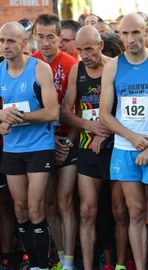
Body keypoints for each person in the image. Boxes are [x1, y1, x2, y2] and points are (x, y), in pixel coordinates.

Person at [100, 13, 148, 270]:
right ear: (119, 35)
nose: (131, 39)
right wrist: (134, 138)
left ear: (146, 32)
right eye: (125, 34)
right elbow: (104, 115)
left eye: (136, 33)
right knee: (135, 212)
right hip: (126, 147)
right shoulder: (113, 66)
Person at [0, 22, 58, 269]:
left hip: (38, 146)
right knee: (20, 210)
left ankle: (41, 265)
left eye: (11, 41)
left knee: (35, 209)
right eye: (2, 41)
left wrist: (18, 117)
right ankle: (33, 262)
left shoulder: (39, 68)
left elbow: (53, 112)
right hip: (12, 149)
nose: (5, 46)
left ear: (24, 43)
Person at [61, 25, 114, 270]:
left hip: (116, 145)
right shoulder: (77, 69)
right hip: (86, 145)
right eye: (80, 50)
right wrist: (88, 126)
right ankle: (89, 265)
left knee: (120, 211)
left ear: (101, 45)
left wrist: (104, 131)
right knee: (86, 211)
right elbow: (66, 111)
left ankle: (119, 262)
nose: (85, 55)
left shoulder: (115, 66)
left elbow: (127, 111)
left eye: (90, 49)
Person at [32, 13, 77, 270]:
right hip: (42, 141)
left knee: (65, 202)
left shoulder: (71, 63)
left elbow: (77, 111)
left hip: (67, 140)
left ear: (60, 39)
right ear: (34, 37)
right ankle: (60, 258)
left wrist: (68, 143)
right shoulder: (31, 64)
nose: (45, 42)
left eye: (51, 37)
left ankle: (70, 262)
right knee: (48, 204)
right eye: (40, 36)